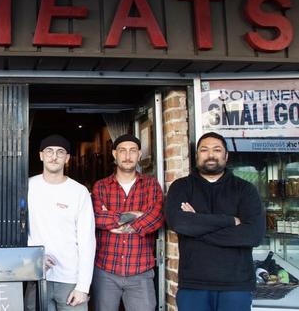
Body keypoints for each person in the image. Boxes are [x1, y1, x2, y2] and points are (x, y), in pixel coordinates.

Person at [165, 132, 265, 311]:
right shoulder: (181, 187)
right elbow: (179, 223)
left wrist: (197, 225)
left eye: (217, 150)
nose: (210, 155)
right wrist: (230, 221)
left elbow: (253, 235)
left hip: (236, 285)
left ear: (226, 156)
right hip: (193, 284)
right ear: (197, 156)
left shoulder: (245, 189)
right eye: (204, 150)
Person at [91, 134, 164, 311]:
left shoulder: (151, 185)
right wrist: (136, 215)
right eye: (122, 151)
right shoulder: (101, 186)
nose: (127, 156)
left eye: (133, 151)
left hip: (141, 270)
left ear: (139, 155)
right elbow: (97, 218)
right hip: (106, 270)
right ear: (114, 154)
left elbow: (156, 217)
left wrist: (117, 222)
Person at [25, 134, 96, 311]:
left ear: (67, 158)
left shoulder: (79, 192)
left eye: (60, 152)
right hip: (37, 275)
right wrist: (33, 254)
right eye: (49, 151)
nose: (54, 156)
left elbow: (87, 241)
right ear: (41, 155)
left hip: (71, 280)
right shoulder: (27, 187)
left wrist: (83, 287)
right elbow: (16, 229)